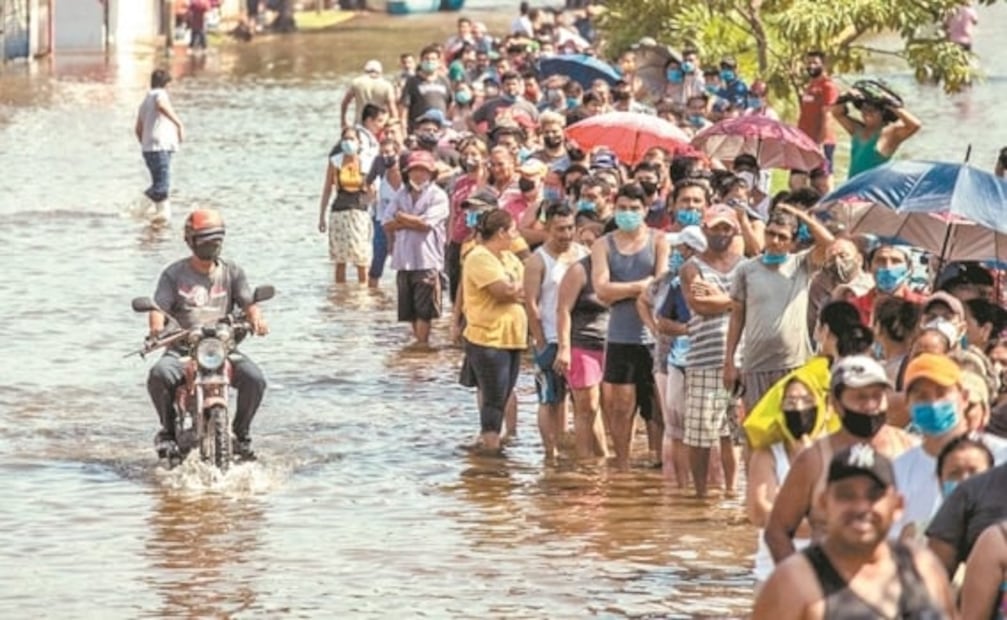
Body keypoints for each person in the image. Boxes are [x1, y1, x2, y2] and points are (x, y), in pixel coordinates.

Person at [753, 445, 956, 619]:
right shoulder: (794, 583)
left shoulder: (923, 567)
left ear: (898, 505)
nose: (860, 507)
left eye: (874, 495)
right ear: (823, 504)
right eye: (846, 495)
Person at [765, 355, 915, 562]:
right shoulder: (814, 460)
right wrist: (802, 582)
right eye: (860, 397)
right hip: (831, 582)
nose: (870, 406)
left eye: (877, 396)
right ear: (835, 404)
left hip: (895, 583)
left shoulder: (910, 448)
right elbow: (777, 531)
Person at [146, 209, 269, 461]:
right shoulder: (174, 274)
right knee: (159, 375)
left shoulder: (232, 272)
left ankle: (241, 435)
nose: (212, 245)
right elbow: (158, 309)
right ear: (190, 241)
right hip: (183, 350)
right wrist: (156, 330)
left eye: (217, 240)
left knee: (255, 379)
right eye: (205, 240)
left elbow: (248, 302)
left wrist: (256, 319)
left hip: (222, 349)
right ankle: (168, 432)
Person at [724, 205, 834, 414]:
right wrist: (729, 360)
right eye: (770, 233)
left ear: (793, 242)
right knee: (758, 430)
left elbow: (830, 244)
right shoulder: (746, 269)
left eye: (782, 237)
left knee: (794, 427)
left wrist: (803, 217)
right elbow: (737, 316)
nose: (774, 241)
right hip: (755, 364)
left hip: (794, 363)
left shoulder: (801, 264)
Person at [592, 183, 670, 469]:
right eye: (623, 208)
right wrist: (639, 286)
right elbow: (601, 289)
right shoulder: (603, 244)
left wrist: (623, 290)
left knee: (657, 410)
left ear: (646, 210)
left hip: (653, 337)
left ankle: (660, 462)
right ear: (615, 207)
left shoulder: (659, 240)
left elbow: (660, 286)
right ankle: (622, 467)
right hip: (619, 336)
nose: (628, 214)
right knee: (620, 408)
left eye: (634, 209)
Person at [748, 377, 831, 591]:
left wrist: (783, 520)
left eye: (806, 401)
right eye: (790, 403)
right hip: (773, 574)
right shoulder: (767, 455)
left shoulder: (833, 453)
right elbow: (758, 512)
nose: (799, 408)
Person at [461, 208, 528, 453]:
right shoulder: (480, 256)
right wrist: (519, 289)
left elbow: (530, 286)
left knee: (505, 393)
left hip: (512, 337)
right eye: (512, 231)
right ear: (501, 232)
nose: (516, 235)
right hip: (488, 338)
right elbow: (503, 292)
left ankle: (490, 443)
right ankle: (491, 448)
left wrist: (519, 288)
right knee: (493, 398)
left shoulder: (508, 258)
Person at [524, 203, 587, 460]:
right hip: (549, 338)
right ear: (548, 227)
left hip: (579, 339)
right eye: (560, 229)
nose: (566, 234)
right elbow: (530, 303)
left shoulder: (583, 254)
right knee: (549, 399)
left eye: (570, 228)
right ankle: (550, 453)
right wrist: (540, 341)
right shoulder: (537, 260)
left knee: (580, 400)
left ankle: (573, 447)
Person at [555, 211, 610, 460]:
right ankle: (585, 462)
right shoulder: (580, 270)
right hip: (583, 343)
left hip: (614, 345)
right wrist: (564, 348)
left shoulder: (621, 270)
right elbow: (563, 309)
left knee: (604, 407)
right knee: (585, 406)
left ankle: (603, 457)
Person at [383, 151, 450, 347]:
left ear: (431, 174)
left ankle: (422, 345)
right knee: (409, 309)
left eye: (423, 171)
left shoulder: (438, 195)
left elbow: (426, 224)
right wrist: (410, 221)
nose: (419, 175)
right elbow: (387, 223)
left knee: (425, 310)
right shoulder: (401, 194)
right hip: (403, 259)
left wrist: (402, 219)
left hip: (426, 259)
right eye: (415, 171)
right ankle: (418, 348)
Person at [317, 126, 372, 284]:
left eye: (352, 139)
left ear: (359, 142)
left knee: (362, 259)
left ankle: (363, 295)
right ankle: (340, 296)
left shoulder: (366, 162)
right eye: (345, 139)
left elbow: (373, 190)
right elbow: (327, 188)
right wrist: (321, 216)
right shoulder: (336, 162)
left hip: (359, 213)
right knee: (340, 260)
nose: (348, 142)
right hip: (339, 212)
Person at [832, 85, 922, 179]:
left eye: (871, 110)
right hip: (853, 185)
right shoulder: (857, 129)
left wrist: (891, 103)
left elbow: (915, 125)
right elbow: (837, 113)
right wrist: (845, 96)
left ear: (883, 112)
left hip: (872, 188)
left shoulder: (890, 134)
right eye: (864, 109)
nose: (866, 113)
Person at [135, 69, 184, 223]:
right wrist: (178, 123)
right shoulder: (159, 94)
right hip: (159, 147)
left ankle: (161, 218)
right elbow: (161, 105)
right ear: (166, 84)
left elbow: (138, 129)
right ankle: (137, 209)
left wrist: (145, 144)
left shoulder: (145, 100)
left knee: (159, 184)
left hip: (149, 149)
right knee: (162, 186)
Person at [797, 51, 839, 188]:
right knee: (796, 181)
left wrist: (821, 142)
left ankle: (829, 208)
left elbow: (828, 114)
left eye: (814, 63)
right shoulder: (810, 86)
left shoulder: (828, 86)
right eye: (808, 63)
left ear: (823, 65)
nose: (811, 66)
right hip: (804, 140)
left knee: (822, 183)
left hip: (821, 141)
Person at [341, 60, 399, 129]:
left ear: (365, 70)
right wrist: (396, 125)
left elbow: (345, 103)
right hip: (379, 124)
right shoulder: (386, 85)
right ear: (380, 72)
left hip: (360, 124)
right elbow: (392, 108)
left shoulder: (356, 83)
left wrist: (343, 120)